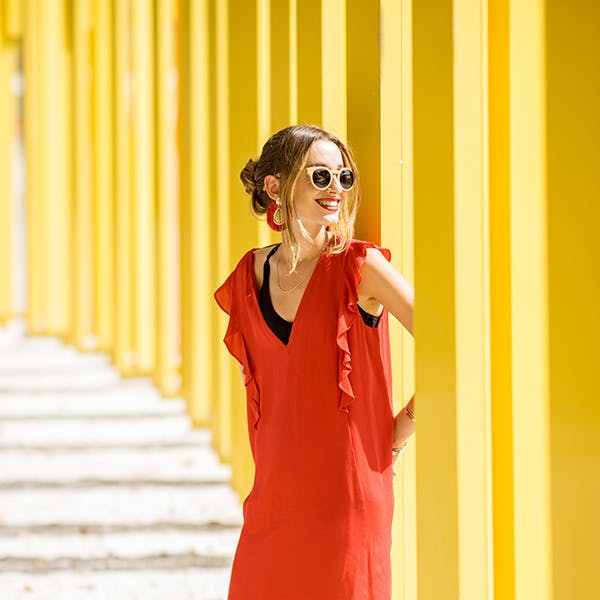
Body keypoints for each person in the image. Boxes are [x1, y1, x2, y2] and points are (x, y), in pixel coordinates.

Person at [214, 124, 415, 600]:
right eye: (321, 176)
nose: (337, 190)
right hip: (272, 503)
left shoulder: (361, 268)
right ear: (276, 186)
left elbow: (448, 344)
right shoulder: (248, 275)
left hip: (348, 501)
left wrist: (398, 431)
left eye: (345, 178)